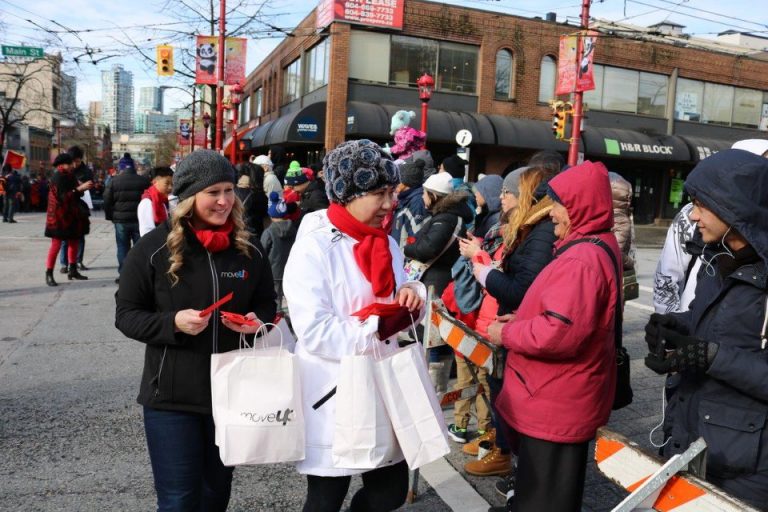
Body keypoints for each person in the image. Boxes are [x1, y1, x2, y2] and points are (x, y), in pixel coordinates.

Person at [115, 149, 277, 512]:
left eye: (228, 190)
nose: (223, 201)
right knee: (178, 501)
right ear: (189, 197)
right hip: (171, 399)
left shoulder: (249, 249)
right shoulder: (153, 249)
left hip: (232, 395)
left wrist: (254, 321)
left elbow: (268, 303)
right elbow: (126, 314)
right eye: (212, 192)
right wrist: (172, 322)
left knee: (215, 497)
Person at [283, 139, 426, 512]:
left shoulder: (386, 243)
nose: (389, 203)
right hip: (333, 390)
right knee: (326, 497)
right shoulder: (314, 246)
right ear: (348, 194)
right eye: (379, 193)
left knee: (389, 491)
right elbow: (313, 330)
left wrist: (411, 293)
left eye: (391, 192)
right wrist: (374, 329)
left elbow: (398, 293)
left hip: (381, 384)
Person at [487, 161, 619, 512]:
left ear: (580, 207)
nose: (552, 213)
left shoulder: (581, 259)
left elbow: (558, 333)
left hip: (556, 402)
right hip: (560, 398)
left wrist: (507, 331)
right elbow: (570, 318)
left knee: (543, 499)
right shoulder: (592, 246)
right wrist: (525, 315)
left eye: (559, 204)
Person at [643, 149, 768, 509]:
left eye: (701, 204)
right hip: (692, 440)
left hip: (746, 470)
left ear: (734, 208)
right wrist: (676, 328)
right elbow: (719, 326)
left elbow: (727, 354)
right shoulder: (718, 258)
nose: (693, 215)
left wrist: (712, 357)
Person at [459, 167, 558, 491]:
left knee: (509, 398)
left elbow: (522, 289)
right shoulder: (528, 228)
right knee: (498, 388)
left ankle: (511, 460)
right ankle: (506, 451)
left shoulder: (540, 232)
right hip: (503, 322)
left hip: (514, 327)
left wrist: (483, 270)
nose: (502, 197)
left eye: (508, 191)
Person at [404, 171, 474, 396]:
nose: (423, 198)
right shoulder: (450, 216)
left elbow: (427, 249)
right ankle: (433, 387)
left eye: (425, 194)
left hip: (437, 283)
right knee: (434, 335)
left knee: (433, 336)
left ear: (434, 196)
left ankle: (433, 389)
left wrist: (407, 248)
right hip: (439, 280)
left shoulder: (446, 219)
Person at [44, 153, 91, 286]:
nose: (72, 165)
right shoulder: (57, 177)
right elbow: (62, 198)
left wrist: (82, 188)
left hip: (71, 214)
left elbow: (76, 193)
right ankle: (49, 273)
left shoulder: (70, 175)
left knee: (74, 242)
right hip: (58, 217)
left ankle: (73, 270)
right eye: (70, 164)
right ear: (62, 165)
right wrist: (79, 189)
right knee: (56, 245)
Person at [103, 153, 151, 283]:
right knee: (139, 248)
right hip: (139, 221)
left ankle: (123, 274)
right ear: (133, 167)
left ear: (121, 167)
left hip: (121, 221)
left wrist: (110, 216)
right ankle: (139, 275)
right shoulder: (144, 181)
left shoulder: (114, 181)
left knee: (122, 247)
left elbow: (107, 200)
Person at [261, 191, 298, 309]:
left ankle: (277, 319)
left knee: (275, 299)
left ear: (271, 215)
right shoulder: (294, 228)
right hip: (291, 269)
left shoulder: (269, 232)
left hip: (274, 271)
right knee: (291, 296)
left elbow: (262, 252)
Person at [391, 158, 429, 249]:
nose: (394, 184)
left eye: (398, 181)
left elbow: (417, 235)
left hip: (406, 258)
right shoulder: (405, 199)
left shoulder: (418, 201)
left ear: (407, 182)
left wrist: (407, 260)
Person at [137, 166, 173, 237]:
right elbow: (146, 234)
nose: (170, 187)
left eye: (172, 184)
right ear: (154, 182)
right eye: (167, 183)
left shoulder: (163, 201)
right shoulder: (147, 203)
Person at [234, 162, 268, 237]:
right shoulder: (258, 195)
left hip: (237, 232)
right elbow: (264, 213)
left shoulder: (232, 191)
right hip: (254, 232)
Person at [473, 174, 503, 239]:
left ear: (488, 192)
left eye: (479, 190)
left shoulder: (496, 220)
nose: (475, 194)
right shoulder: (488, 215)